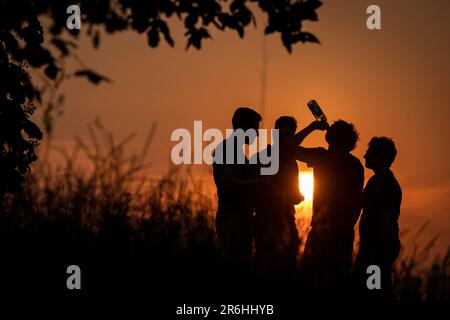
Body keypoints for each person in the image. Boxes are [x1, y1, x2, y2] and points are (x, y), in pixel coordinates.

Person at [295, 120, 364, 296]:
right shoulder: (355, 165)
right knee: (338, 283)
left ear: (330, 137)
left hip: (321, 229)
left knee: (309, 281)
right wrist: (348, 226)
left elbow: (287, 149)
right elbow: (358, 201)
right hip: (343, 232)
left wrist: (312, 127)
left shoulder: (321, 156)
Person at [212, 107, 262, 280]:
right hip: (231, 217)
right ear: (242, 127)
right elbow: (226, 183)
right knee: (232, 271)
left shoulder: (240, 153)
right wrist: (258, 183)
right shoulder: (225, 149)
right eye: (255, 128)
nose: (257, 133)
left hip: (243, 217)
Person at [352, 137, 402, 299]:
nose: (365, 156)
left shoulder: (388, 186)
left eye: (369, 153)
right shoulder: (375, 181)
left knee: (373, 293)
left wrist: (374, 252)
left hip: (378, 249)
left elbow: (385, 222)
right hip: (370, 247)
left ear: (380, 157)